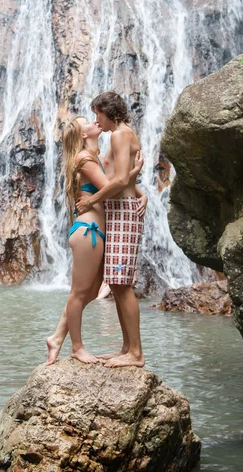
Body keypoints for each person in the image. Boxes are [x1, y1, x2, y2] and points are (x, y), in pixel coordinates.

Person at [46, 114, 146, 365]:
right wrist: (135, 171)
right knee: (79, 292)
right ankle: (76, 347)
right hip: (87, 230)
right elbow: (112, 186)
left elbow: (116, 184)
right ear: (83, 135)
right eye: (88, 122)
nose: (95, 122)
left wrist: (141, 194)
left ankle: (57, 337)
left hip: (97, 233)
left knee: (90, 291)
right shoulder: (84, 159)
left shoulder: (96, 159)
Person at [76, 91, 147, 368]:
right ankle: (127, 347)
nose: (97, 121)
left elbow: (117, 181)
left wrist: (91, 200)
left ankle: (136, 354)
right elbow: (115, 173)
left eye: (98, 115)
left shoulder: (119, 135)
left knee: (121, 283)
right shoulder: (119, 134)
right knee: (117, 285)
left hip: (123, 211)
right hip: (120, 209)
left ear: (108, 112)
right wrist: (140, 189)